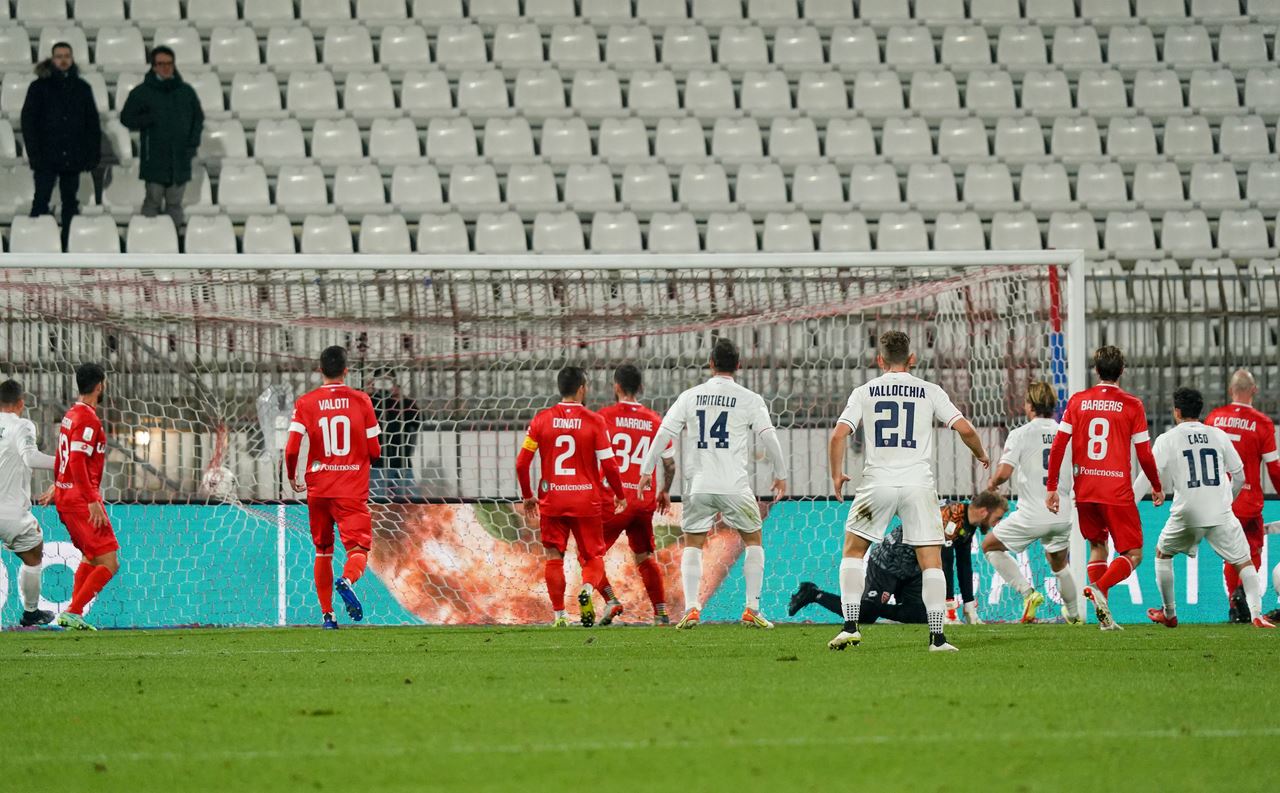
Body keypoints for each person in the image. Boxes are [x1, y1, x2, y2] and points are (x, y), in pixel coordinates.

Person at [827, 330, 989, 653]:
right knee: (932, 563)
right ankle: (938, 638)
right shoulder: (930, 391)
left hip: (877, 484)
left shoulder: (865, 391)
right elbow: (966, 429)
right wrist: (981, 454)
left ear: (880, 360)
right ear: (912, 358)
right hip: (918, 485)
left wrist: (836, 475)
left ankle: (850, 627)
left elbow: (838, 435)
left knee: (853, 552)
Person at [637, 337, 788, 629]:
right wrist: (780, 473)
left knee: (693, 543)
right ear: (739, 365)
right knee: (753, 540)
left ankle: (692, 609)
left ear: (710, 364)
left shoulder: (690, 396)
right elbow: (768, 436)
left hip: (699, 485)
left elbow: (664, 433)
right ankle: (752, 608)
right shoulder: (749, 398)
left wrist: (646, 469)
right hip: (734, 485)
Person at [1046, 345, 1163, 631]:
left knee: (1097, 546)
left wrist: (1051, 486)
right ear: (1122, 370)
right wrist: (1156, 485)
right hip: (1116, 491)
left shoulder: (1078, 401)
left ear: (1096, 370)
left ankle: (1105, 618)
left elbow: (1058, 446)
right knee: (1134, 554)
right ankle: (1099, 587)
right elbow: (1144, 453)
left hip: (1085, 489)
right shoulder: (1132, 405)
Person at [1137, 387, 1274, 629]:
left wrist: (1129, 506)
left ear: (1177, 411)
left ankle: (1169, 613)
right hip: (1220, 512)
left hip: (1187, 512)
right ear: (1200, 411)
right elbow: (1239, 475)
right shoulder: (1218, 435)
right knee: (1244, 562)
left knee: (1162, 554)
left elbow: (1145, 478)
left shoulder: (1167, 439)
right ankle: (1256, 614)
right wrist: (1227, 501)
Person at [516, 367, 626, 627]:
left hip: (552, 499)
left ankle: (560, 616)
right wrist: (620, 495)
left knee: (553, 556)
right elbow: (610, 465)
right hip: (586, 500)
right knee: (592, 557)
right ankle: (586, 590)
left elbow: (521, 463)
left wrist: (528, 495)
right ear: (582, 389)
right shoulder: (595, 421)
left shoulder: (541, 420)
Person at [284, 346, 382, 630]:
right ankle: (347, 580)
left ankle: (328, 616)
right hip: (350, 489)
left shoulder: (306, 403)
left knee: (323, 550)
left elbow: (292, 449)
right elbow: (375, 451)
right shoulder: (362, 400)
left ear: (320, 370)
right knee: (358, 549)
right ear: (346, 371)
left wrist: (291, 475)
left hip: (318, 488)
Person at [983, 381, 1084, 625]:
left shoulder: (1021, 434)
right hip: (1061, 514)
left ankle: (1028, 594)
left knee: (990, 546)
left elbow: (1005, 472)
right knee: (1059, 564)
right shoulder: (1067, 434)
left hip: (1031, 514)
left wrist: (993, 483)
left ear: (1029, 405)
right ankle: (1074, 614)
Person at [591, 364, 675, 625]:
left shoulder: (604, 417)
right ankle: (661, 613)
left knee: (589, 556)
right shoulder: (655, 420)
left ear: (616, 386)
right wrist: (665, 491)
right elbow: (670, 464)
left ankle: (611, 601)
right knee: (644, 556)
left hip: (614, 500)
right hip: (643, 500)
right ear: (641, 387)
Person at [1204, 369, 1280, 623]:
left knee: (1230, 552)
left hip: (1219, 499)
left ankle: (1234, 604)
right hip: (1248, 501)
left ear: (1230, 390)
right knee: (1252, 549)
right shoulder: (1262, 423)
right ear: (1254, 390)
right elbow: (1274, 468)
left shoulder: (1214, 418)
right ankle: (1242, 594)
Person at [53, 364, 117, 631]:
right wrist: (91, 499)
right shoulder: (88, 419)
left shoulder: (71, 414)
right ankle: (73, 611)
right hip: (81, 499)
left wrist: (57, 484)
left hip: (67, 495)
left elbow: (62, 455)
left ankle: (73, 615)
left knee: (90, 557)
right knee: (110, 561)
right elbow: (77, 459)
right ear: (100, 386)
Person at [20, 42, 100, 243]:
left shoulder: (82, 88)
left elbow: (92, 123)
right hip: (46, 155)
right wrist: (34, 154)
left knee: (70, 202)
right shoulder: (38, 87)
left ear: (72, 58)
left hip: (73, 155)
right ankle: (35, 242)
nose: (63, 60)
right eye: (59, 56)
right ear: (52, 59)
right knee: (41, 200)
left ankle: (68, 243)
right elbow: (28, 123)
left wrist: (91, 154)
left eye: (67, 56)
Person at [119, 45, 204, 232]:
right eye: (161, 64)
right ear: (153, 66)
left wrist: (191, 144)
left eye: (169, 63)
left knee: (174, 204)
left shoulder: (186, 92)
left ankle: (172, 241)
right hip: (154, 158)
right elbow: (126, 118)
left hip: (180, 158)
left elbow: (198, 119)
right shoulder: (142, 92)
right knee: (152, 202)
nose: (165, 67)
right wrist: (148, 119)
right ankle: (148, 239)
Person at [0, 380, 57, 627]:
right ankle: (30, 612)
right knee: (34, 555)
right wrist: (66, 462)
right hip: (11, 514)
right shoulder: (21, 425)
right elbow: (31, 458)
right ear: (21, 403)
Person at [789, 525, 928, 625]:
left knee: (920, 616)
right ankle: (814, 594)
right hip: (887, 564)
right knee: (864, 616)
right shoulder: (930, 521)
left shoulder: (935, 518)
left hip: (914, 568)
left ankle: (874, 608)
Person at [939, 492, 1007, 624]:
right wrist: (949, 606)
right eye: (997, 518)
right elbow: (945, 563)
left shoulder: (969, 522)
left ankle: (969, 610)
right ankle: (948, 613)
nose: (996, 524)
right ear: (983, 512)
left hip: (921, 567)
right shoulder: (951, 515)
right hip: (905, 563)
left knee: (963, 562)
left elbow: (964, 564)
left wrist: (969, 605)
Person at [369, 374, 422, 500]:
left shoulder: (404, 403)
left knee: (412, 503)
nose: (384, 385)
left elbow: (418, 421)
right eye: (380, 381)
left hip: (402, 462)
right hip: (377, 464)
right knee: (376, 503)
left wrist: (401, 400)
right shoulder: (369, 402)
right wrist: (367, 395)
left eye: (387, 381)